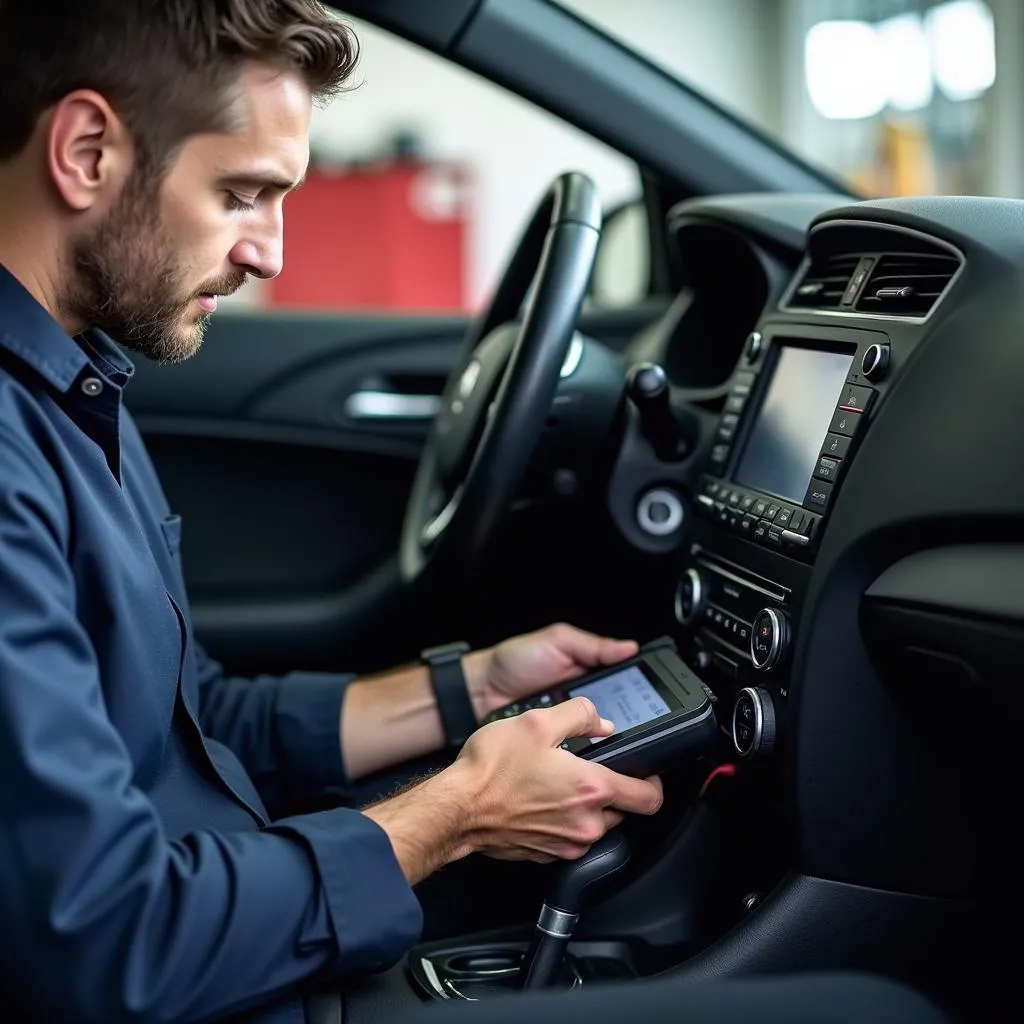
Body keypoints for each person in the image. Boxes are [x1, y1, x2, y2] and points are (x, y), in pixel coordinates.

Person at [0, 2, 665, 1023]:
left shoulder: (79, 381)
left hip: (230, 927)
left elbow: (187, 724)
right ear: (86, 150)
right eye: (242, 194)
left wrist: (471, 689)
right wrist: (458, 812)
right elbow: (100, 940)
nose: (269, 253)